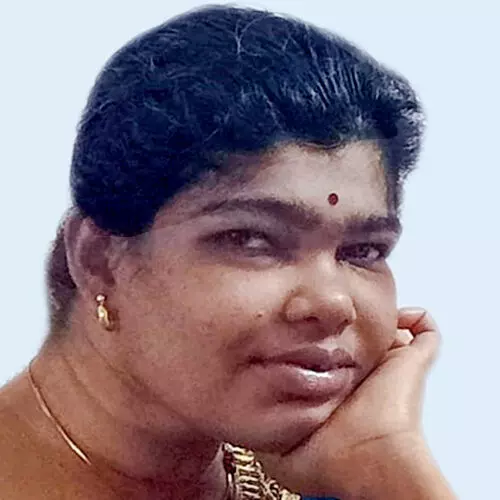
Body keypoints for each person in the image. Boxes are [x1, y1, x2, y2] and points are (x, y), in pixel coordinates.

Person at [0, 4, 456, 499]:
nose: (332, 303)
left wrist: (388, 466)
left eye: (363, 250)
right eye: (251, 240)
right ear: (99, 261)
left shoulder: (333, 472)